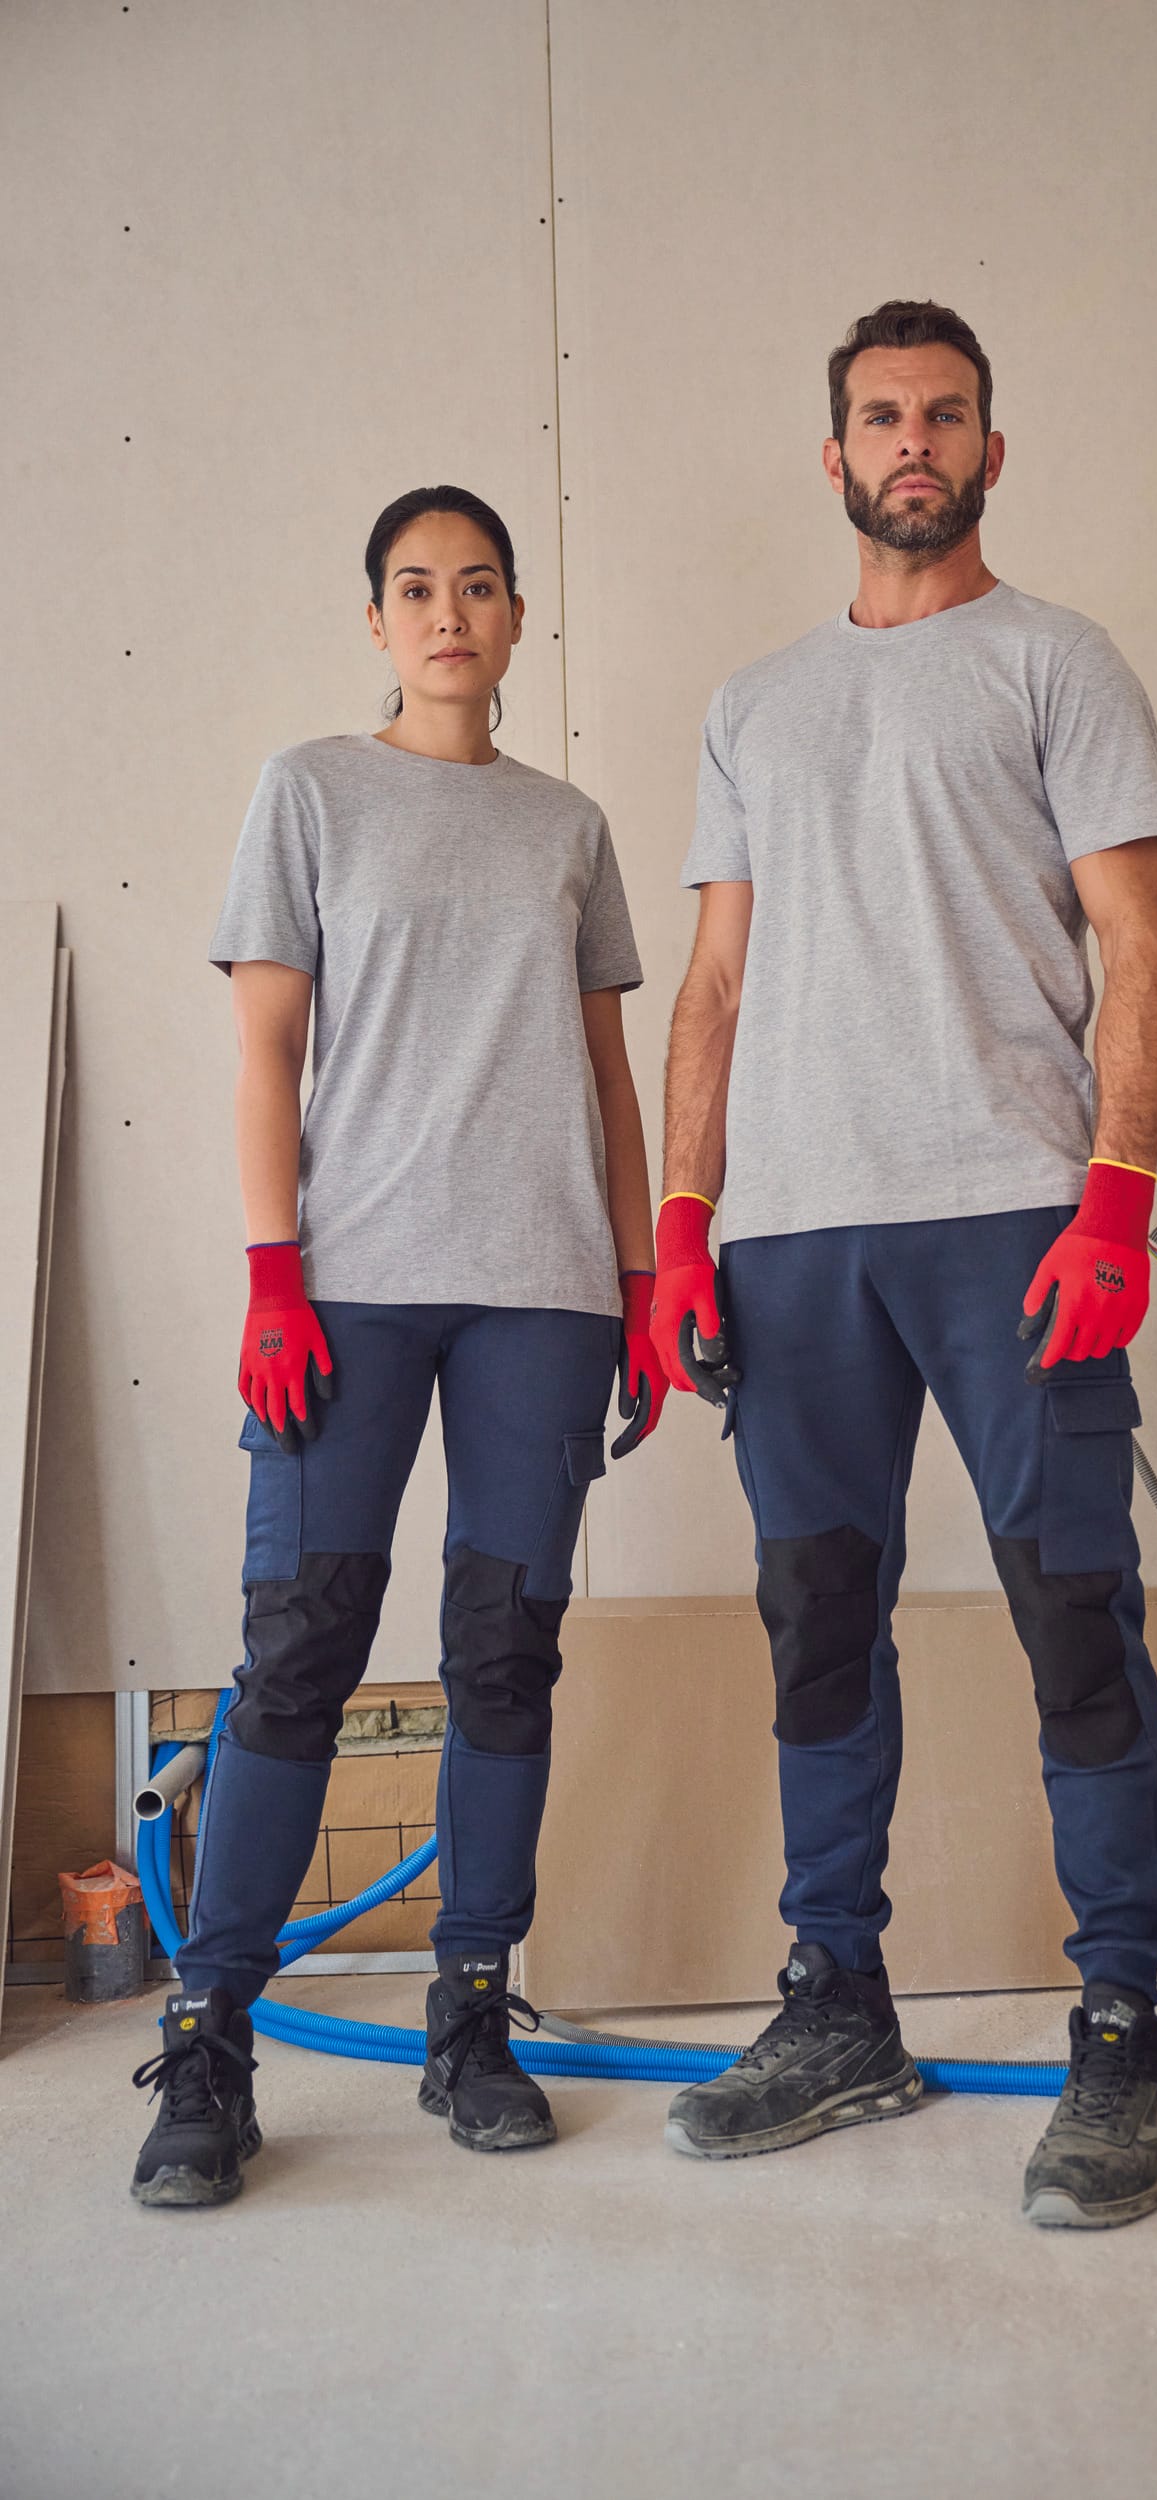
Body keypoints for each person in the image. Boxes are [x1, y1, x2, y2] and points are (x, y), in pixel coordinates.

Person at [650, 302, 1157, 2228]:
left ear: (989, 447)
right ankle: (839, 2003)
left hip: (1012, 1218)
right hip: (795, 1240)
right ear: (833, 455)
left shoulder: (1058, 661)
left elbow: (1145, 941)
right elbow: (712, 984)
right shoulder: (755, 702)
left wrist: (1117, 1195)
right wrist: (681, 1230)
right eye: (879, 415)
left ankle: (1123, 2021)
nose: (911, 441)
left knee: (1073, 1617)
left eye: (943, 413)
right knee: (818, 1626)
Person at [130, 486, 667, 2207]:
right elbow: (263, 1055)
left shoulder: (568, 826)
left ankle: (471, 2013)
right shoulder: (310, 793)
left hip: (543, 1292)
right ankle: (212, 2036)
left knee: (506, 1651)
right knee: (302, 1646)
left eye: (481, 587)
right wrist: (271, 1273)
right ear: (377, 621)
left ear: (519, 620)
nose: (450, 613)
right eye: (417, 589)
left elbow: (605, 1078)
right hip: (348, 1286)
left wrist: (649, 1277)